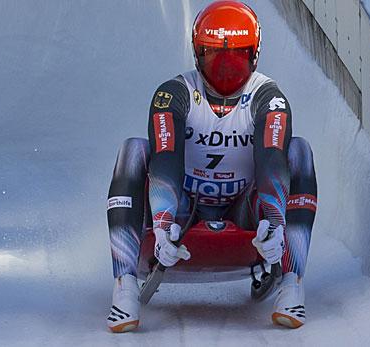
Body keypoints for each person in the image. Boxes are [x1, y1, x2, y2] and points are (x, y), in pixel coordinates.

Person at [106, 1, 317, 333]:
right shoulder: (173, 93)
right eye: (213, 56)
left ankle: (293, 281)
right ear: (197, 53)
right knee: (133, 150)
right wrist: (161, 223)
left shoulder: (268, 97)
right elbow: (166, 156)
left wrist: (275, 222)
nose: (225, 68)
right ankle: (124, 287)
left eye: (236, 58)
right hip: (182, 212)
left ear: (254, 55)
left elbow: (271, 157)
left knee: (299, 151)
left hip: (245, 213)